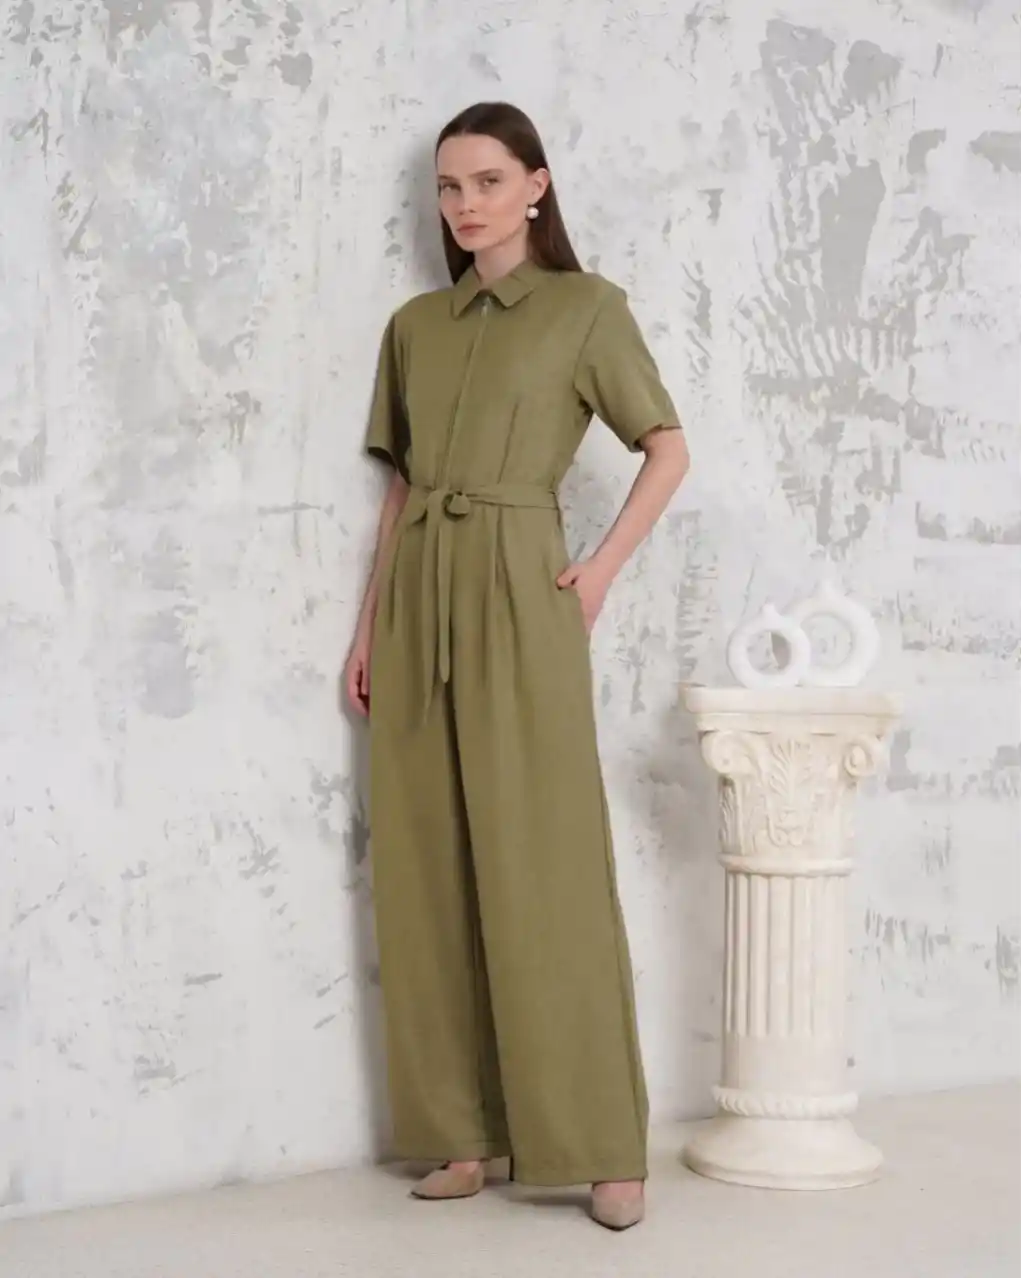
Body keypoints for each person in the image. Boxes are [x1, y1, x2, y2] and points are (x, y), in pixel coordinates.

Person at [344, 101, 690, 1232]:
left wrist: (599, 573)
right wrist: (368, 626)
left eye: (487, 181)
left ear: (536, 185)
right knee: (424, 867)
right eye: (448, 187)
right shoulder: (415, 326)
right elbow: (404, 488)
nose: (465, 204)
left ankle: (602, 1147)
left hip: (518, 584)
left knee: (546, 864)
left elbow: (667, 448)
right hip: (418, 597)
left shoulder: (588, 310)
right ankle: (461, 1133)